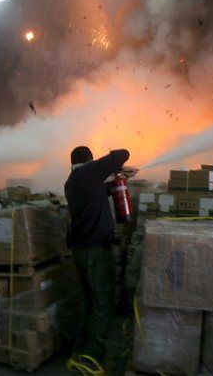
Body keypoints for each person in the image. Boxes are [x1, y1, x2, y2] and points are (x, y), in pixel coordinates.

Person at [64, 147, 136, 375]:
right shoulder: (88, 172)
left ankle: (78, 354)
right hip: (95, 250)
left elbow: (96, 193)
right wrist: (116, 162)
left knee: (89, 303)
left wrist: (118, 179)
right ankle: (92, 357)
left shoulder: (73, 181)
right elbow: (123, 153)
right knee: (103, 304)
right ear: (89, 160)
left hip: (80, 250)